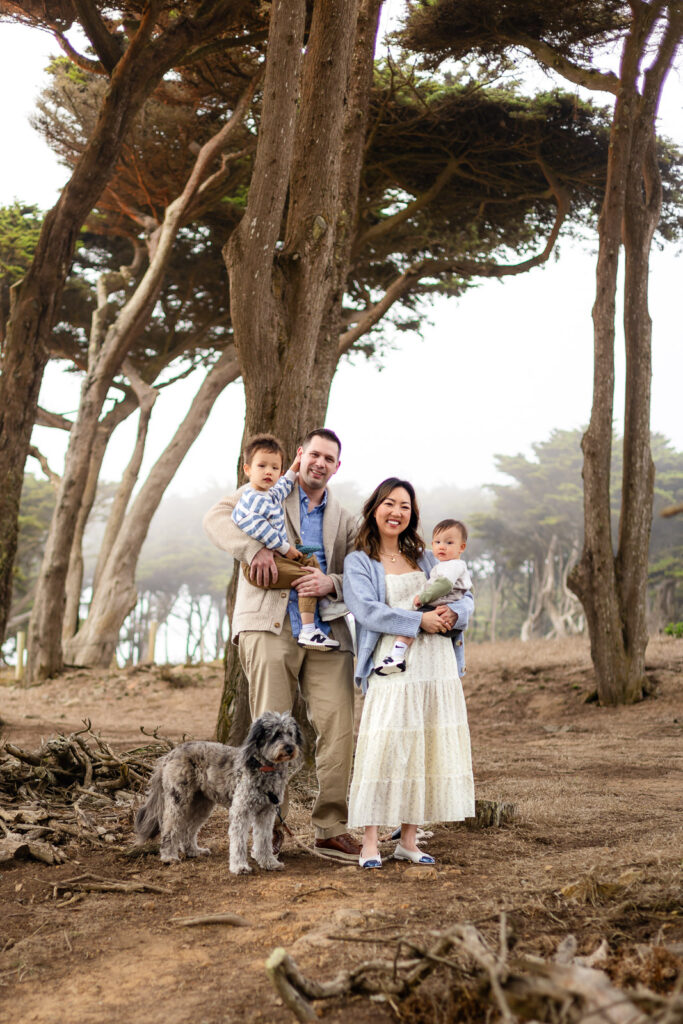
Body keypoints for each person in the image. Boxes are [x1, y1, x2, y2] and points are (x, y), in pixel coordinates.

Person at [203, 428, 361, 862]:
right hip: (269, 626)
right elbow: (214, 519)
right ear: (300, 455)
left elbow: (363, 574)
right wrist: (253, 549)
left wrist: (333, 581)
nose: (320, 463)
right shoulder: (265, 489)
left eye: (330, 458)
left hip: (326, 631)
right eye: (315, 454)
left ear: (336, 467)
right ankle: (268, 827)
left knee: (339, 726)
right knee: (269, 729)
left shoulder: (343, 518)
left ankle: (331, 828)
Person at [342, 478, 475, 869]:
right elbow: (367, 610)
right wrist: (419, 620)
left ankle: (409, 840)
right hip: (392, 662)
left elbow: (463, 592)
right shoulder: (359, 561)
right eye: (389, 503)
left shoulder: (426, 555)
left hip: (436, 663)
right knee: (383, 746)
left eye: (404, 505)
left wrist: (454, 615)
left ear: (412, 513)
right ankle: (369, 842)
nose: (396, 512)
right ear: (374, 508)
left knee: (424, 745)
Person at [231, 432, 340, 651]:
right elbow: (254, 526)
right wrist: (279, 548)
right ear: (247, 469)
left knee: (311, 563)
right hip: (268, 568)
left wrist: (292, 468)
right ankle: (310, 630)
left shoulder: (271, 493)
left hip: (284, 558)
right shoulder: (251, 496)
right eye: (261, 466)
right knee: (308, 576)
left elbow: (283, 486)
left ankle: (324, 605)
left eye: (274, 468)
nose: (268, 473)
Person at [374, 518, 472, 675]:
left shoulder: (452, 565)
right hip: (441, 613)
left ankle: (397, 656)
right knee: (413, 623)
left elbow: (444, 585)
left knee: (410, 623)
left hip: (438, 610)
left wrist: (423, 598)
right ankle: (397, 656)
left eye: (449, 543)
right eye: (437, 542)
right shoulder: (443, 564)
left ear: (461, 547)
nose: (442, 546)